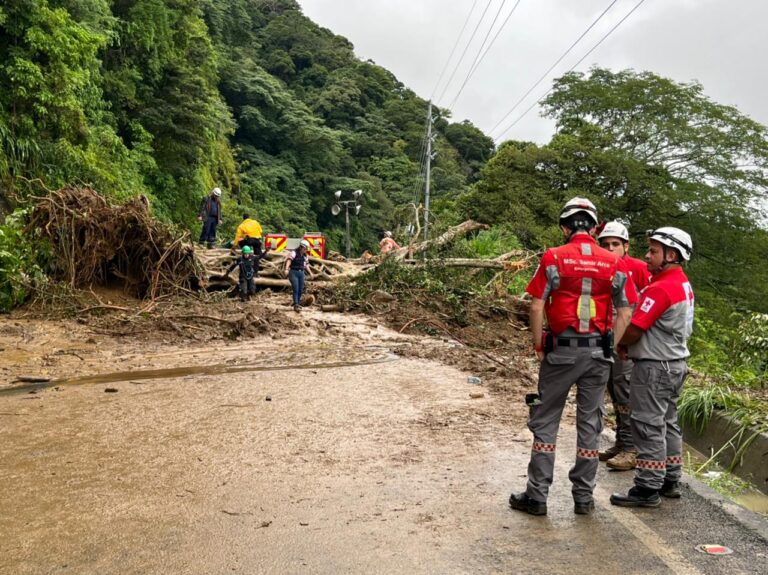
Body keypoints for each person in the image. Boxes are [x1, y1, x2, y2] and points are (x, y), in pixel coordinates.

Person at [509, 198, 636, 516]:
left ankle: (537, 496)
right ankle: (583, 497)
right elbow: (626, 310)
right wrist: (611, 345)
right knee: (589, 425)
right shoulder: (615, 262)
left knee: (547, 421)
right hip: (598, 354)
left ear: (565, 227)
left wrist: (539, 345)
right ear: (594, 228)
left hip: (561, 351)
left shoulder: (553, 257)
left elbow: (537, 305)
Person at [610, 227, 694, 508]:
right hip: (675, 363)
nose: (647, 256)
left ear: (671, 255)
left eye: (654, 251)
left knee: (647, 424)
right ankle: (670, 477)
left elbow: (636, 327)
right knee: (668, 422)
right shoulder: (682, 283)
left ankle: (647, 486)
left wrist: (622, 344)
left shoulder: (661, 287)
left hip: (654, 366)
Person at [596, 221, 653, 471]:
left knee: (625, 392)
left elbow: (650, 299)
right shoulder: (599, 266)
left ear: (626, 246)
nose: (610, 249)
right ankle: (621, 442)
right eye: (606, 244)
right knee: (612, 390)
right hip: (603, 336)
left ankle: (632, 448)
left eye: (615, 244)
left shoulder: (638, 268)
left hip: (626, 339)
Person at [284, 239, 310, 312]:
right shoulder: (294, 253)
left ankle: (297, 303)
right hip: (293, 272)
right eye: (305, 249)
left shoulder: (305, 256)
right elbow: (289, 260)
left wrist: (311, 273)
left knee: (300, 289)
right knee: (296, 288)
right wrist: (286, 269)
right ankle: (296, 304)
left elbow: (306, 265)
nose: (306, 250)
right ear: (301, 247)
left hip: (301, 273)